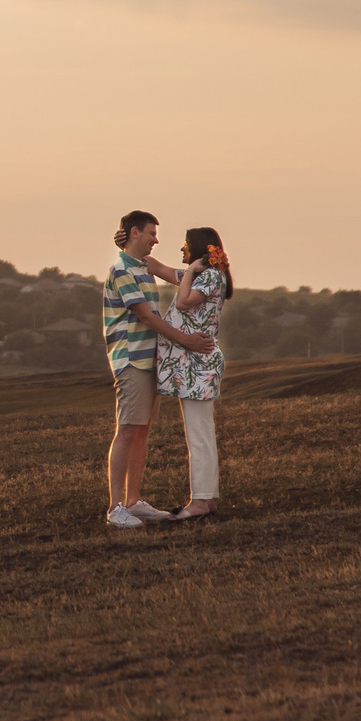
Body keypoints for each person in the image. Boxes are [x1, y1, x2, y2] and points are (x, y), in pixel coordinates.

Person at [101, 210, 214, 529]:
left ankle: (133, 502)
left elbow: (178, 276)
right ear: (134, 233)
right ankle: (115, 508)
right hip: (131, 359)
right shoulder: (122, 269)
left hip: (149, 359)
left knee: (141, 430)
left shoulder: (143, 265)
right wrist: (186, 340)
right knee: (127, 430)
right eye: (151, 233)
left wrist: (207, 266)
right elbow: (146, 316)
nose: (156, 239)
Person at [157, 227, 231, 521]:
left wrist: (189, 271)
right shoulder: (204, 274)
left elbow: (183, 302)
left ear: (200, 248)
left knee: (198, 436)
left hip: (197, 366)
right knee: (203, 434)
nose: (182, 249)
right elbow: (159, 268)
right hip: (196, 365)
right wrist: (123, 242)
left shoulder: (208, 275)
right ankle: (207, 499)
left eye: (186, 244)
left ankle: (200, 502)